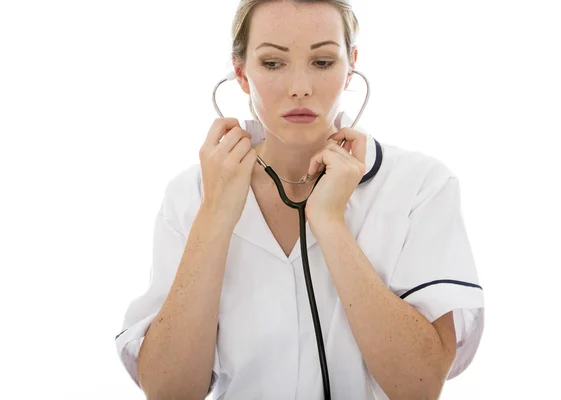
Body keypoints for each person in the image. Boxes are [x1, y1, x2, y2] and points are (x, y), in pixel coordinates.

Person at [115, 1, 485, 399]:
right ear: (241, 73)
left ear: (351, 66)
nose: (300, 87)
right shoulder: (191, 196)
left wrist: (329, 222)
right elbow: (168, 390)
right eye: (273, 63)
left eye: (323, 61)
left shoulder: (419, 186)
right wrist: (215, 216)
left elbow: (420, 386)